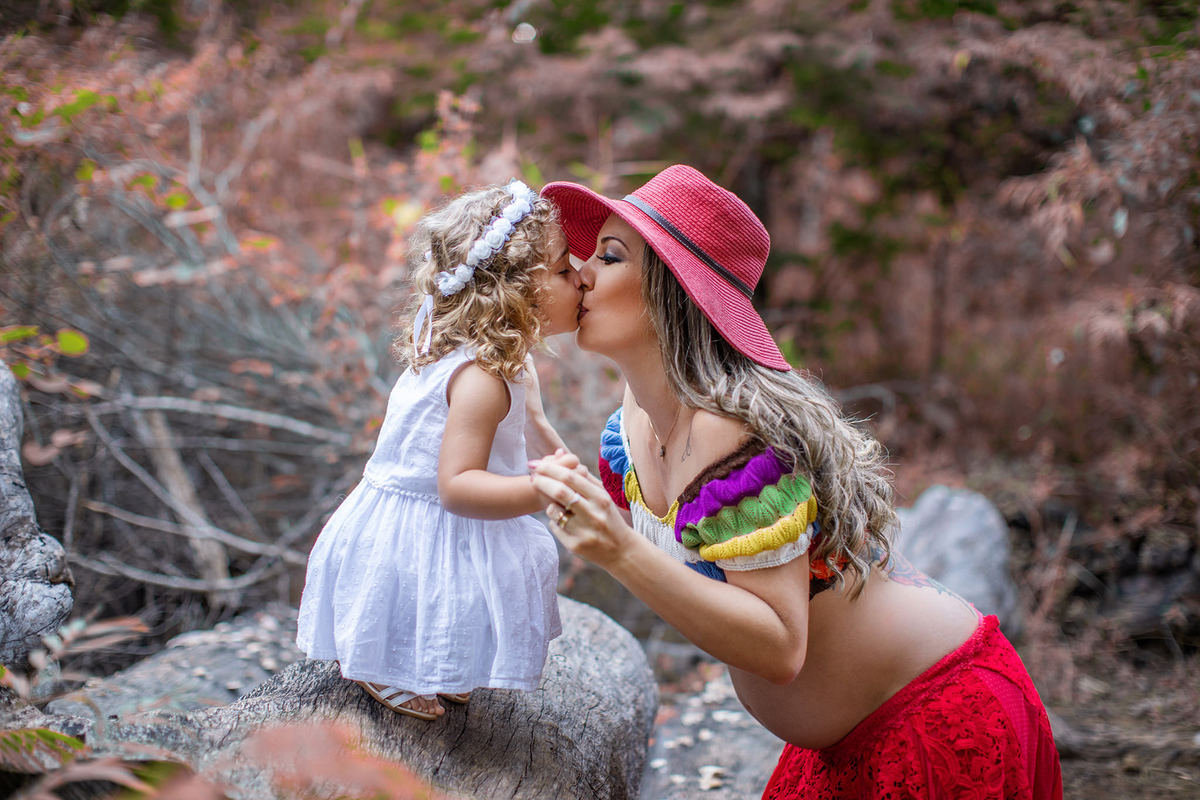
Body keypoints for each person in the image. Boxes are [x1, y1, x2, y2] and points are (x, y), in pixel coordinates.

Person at [532, 165, 1062, 797]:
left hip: (931, 714)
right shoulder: (634, 417)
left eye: (611, 256)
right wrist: (524, 414)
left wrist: (618, 553)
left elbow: (781, 646)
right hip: (839, 744)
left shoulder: (728, 434)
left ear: (675, 291)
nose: (583, 270)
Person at [296, 180, 581, 720]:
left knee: (491, 570)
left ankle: (441, 663)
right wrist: (543, 489)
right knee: (438, 588)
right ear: (517, 289)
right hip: (420, 524)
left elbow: (534, 430)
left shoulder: (499, 364)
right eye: (565, 270)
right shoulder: (479, 378)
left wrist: (571, 475)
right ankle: (385, 663)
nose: (581, 279)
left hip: (432, 518)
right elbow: (457, 487)